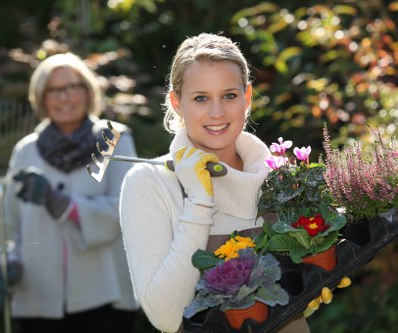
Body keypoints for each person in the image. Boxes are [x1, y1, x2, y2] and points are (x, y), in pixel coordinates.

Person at [119, 33, 311, 333]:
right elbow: (166, 317)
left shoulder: (280, 178)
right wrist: (198, 201)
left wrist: (316, 283)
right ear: (176, 101)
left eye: (229, 95)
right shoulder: (150, 183)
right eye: (201, 98)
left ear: (247, 97)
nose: (217, 112)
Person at [0, 52, 140, 333]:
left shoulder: (112, 139)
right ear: (42, 97)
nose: (64, 97)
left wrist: (61, 204)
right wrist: (6, 262)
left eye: (73, 87)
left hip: (104, 296)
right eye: (54, 90)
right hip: (38, 298)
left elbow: (126, 210)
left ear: (87, 91)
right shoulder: (26, 150)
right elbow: (9, 224)